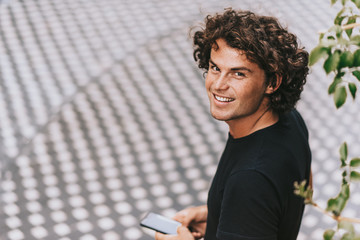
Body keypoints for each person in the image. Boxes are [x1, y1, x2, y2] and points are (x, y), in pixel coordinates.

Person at [155, 8, 311, 240]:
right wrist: (219, 216)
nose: (218, 84)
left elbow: (257, 192)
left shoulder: (249, 181)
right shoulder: (291, 119)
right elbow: (303, 191)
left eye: (238, 74)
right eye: (215, 67)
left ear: (272, 82)